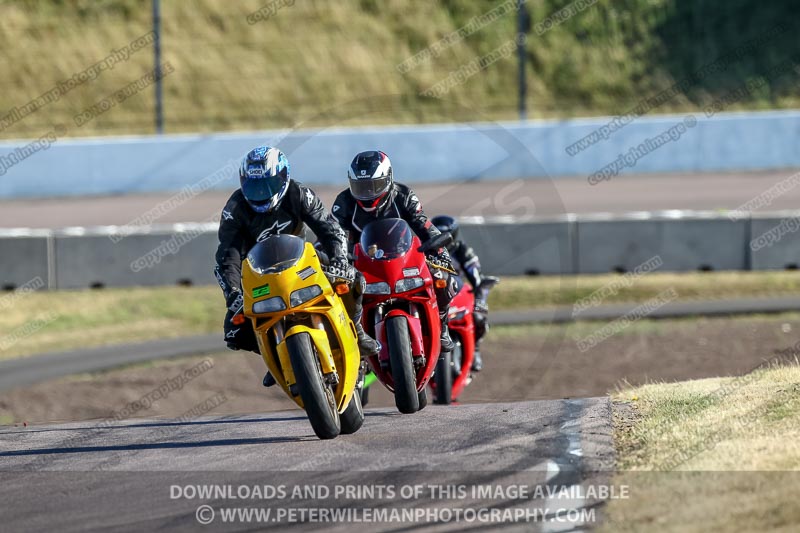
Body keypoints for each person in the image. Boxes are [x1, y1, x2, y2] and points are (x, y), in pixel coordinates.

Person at [214, 146, 380, 386]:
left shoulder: (299, 193)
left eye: (267, 185)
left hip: (301, 260)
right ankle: (276, 356)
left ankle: (357, 332)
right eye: (253, 186)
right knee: (234, 329)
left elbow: (329, 228)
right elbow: (226, 257)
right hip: (260, 274)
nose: (260, 192)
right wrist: (233, 295)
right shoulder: (235, 209)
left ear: (283, 177)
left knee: (353, 279)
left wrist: (339, 260)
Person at [332, 150, 457, 353]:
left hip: (404, 257)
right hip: (363, 263)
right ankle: (353, 338)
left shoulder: (404, 195)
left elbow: (423, 225)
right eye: (361, 187)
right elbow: (335, 235)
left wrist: (439, 251)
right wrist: (337, 258)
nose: (367, 192)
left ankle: (442, 327)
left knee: (443, 277)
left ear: (388, 178)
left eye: (374, 185)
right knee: (339, 290)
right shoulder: (343, 203)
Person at [431, 215, 490, 371]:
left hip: (460, 295)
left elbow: (476, 276)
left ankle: (475, 350)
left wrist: (479, 298)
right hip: (434, 297)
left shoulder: (463, 250)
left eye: (445, 234)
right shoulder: (427, 251)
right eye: (437, 233)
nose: (441, 238)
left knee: (479, 315)